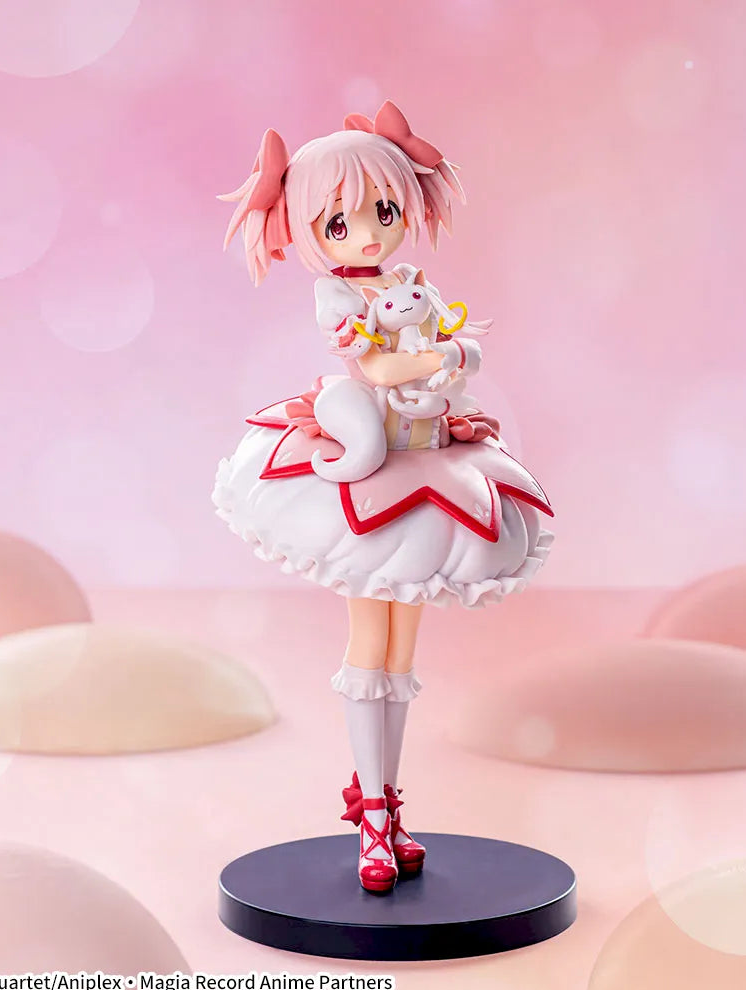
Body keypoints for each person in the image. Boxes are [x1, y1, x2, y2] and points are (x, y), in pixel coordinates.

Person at [213, 101, 554, 893]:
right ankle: (371, 814)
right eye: (340, 223)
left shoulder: (409, 284)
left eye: (385, 213)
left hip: (427, 452)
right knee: (371, 643)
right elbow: (377, 368)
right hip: (374, 463)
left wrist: (452, 357)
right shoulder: (338, 299)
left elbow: (454, 347)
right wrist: (439, 360)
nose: (367, 236)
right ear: (307, 230)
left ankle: (390, 809)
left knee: (401, 654)